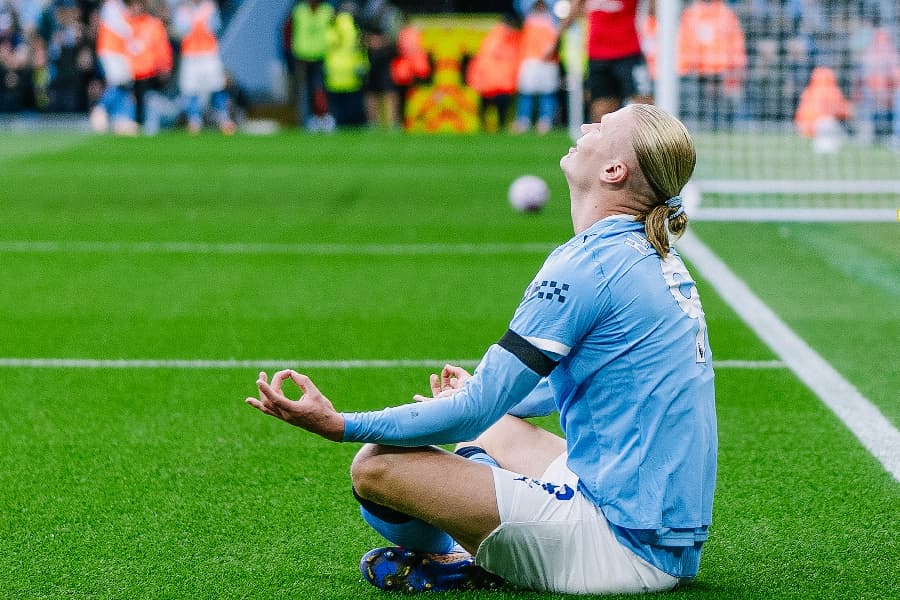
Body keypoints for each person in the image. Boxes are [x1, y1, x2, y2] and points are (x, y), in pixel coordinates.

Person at [245, 102, 717, 595]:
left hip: (617, 549)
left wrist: (339, 424)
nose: (584, 127)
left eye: (600, 128)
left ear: (614, 171)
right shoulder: (653, 255)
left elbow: (472, 411)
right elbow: (586, 383)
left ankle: (458, 556)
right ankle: (485, 526)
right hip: (664, 542)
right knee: (493, 427)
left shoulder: (588, 265)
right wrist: (483, 402)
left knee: (375, 466)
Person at [560, 0, 652, 123]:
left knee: (643, 108)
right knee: (602, 112)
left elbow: (653, 8)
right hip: (598, 56)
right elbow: (575, 9)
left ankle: (649, 135)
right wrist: (555, 41)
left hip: (629, 53)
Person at [677, 0, 747, 130]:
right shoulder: (691, 14)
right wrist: (688, 65)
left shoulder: (726, 14)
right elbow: (684, 42)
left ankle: (721, 128)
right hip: (697, 71)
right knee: (698, 106)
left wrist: (735, 67)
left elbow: (736, 43)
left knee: (722, 106)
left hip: (721, 70)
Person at [172, 0, 235, 134]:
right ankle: (194, 120)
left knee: (217, 85)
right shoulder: (183, 8)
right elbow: (179, 30)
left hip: (208, 53)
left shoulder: (209, 6)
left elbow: (216, 27)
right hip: (190, 54)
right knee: (190, 88)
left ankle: (224, 118)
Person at [513, 0, 560, 134]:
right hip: (530, 58)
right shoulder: (528, 14)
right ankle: (523, 120)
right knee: (526, 92)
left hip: (548, 60)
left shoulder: (554, 16)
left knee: (548, 92)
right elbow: (520, 4)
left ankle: (545, 120)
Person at [290, 0, 335, 131]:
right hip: (302, 56)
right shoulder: (299, 11)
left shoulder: (327, 10)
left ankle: (324, 117)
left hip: (322, 55)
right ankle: (306, 120)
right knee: (304, 90)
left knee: (321, 88)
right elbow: (290, 32)